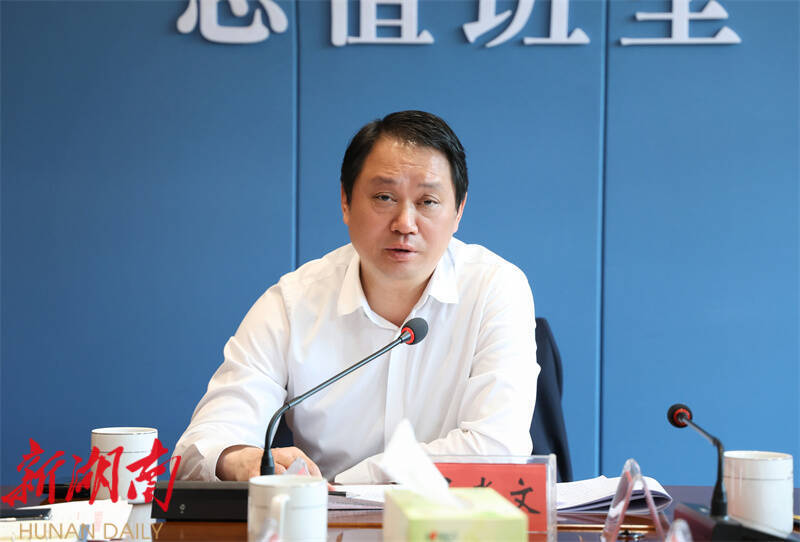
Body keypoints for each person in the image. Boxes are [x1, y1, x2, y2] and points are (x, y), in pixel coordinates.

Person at [173, 110, 539, 483]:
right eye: (384, 197)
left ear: (458, 211)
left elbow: (498, 448)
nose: (405, 224)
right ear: (346, 202)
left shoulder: (495, 289)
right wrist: (238, 460)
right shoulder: (293, 303)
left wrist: (342, 485)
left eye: (428, 201)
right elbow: (200, 447)